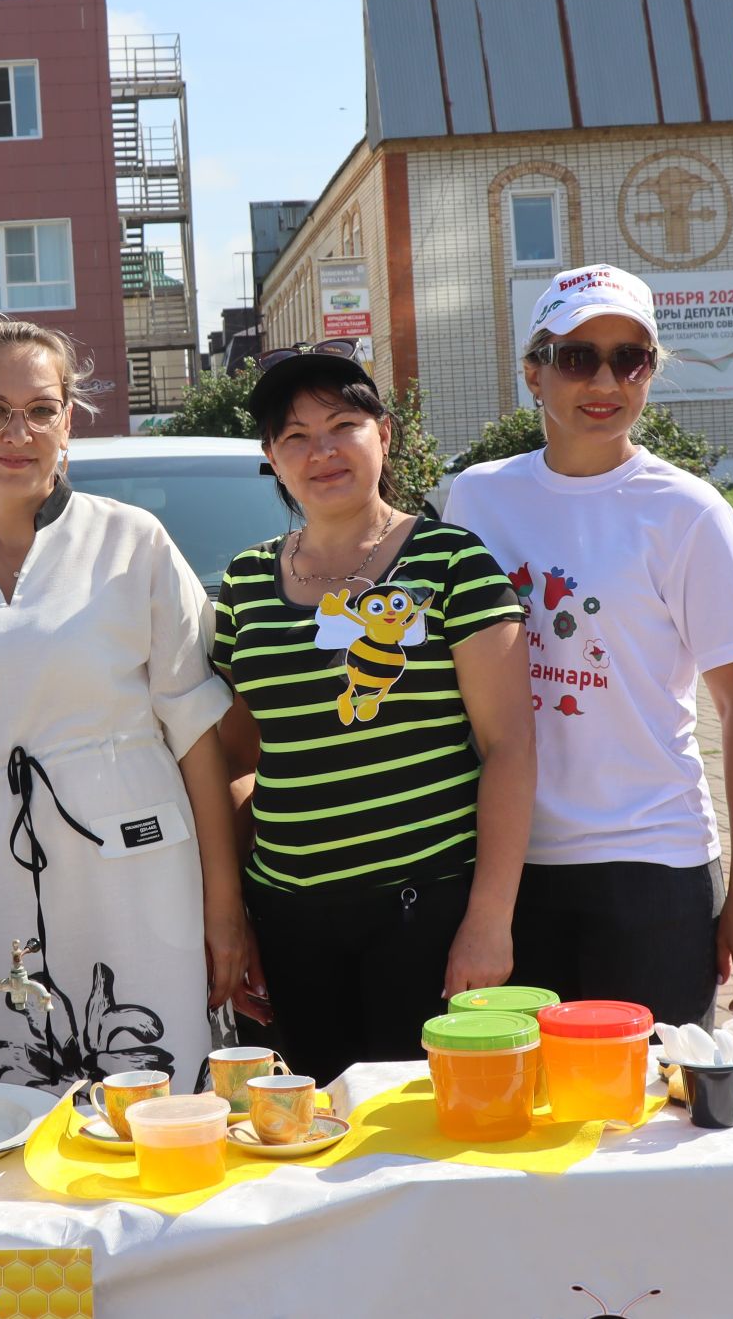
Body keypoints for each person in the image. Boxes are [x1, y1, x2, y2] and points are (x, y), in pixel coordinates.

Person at [0, 313, 245, 1095]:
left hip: (142, 881)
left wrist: (224, 904)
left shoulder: (133, 542)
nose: (19, 431)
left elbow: (195, 738)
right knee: (10, 1122)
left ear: (67, 421)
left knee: (160, 1113)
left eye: (41, 409)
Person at [443, 264, 733, 1030]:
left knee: (649, 1120)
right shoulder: (478, 498)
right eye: (577, 356)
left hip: (651, 866)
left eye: (630, 358)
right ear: (533, 372)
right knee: (521, 1115)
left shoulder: (687, 513)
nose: (605, 379)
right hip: (508, 871)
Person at [214, 340, 534, 1085]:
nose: (321, 452)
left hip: (423, 915)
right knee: (311, 1132)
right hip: (290, 922)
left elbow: (511, 747)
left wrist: (489, 921)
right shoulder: (244, 583)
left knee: (420, 1133)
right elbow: (234, 758)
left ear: (382, 434)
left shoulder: (454, 562)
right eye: (295, 437)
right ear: (272, 455)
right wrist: (240, 910)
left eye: (341, 426)